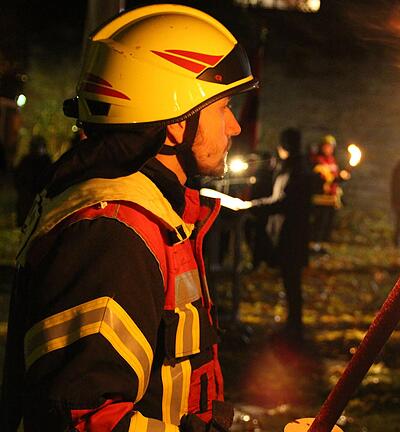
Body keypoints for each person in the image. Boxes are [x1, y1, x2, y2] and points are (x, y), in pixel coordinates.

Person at [1, 5, 257, 431]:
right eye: (223, 106)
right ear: (177, 124)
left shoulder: (147, 214)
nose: (234, 126)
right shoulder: (114, 234)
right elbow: (84, 420)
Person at [249, 128, 312, 341]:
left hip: (291, 235)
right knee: (289, 279)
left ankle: (295, 324)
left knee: (292, 280)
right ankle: (293, 322)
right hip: (287, 233)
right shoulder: (291, 167)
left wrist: (256, 206)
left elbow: (285, 201)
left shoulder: (296, 170)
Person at [310, 134, 349, 249]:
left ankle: (323, 245)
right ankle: (314, 245)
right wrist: (338, 178)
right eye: (327, 146)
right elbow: (324, 177)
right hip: (321, 198)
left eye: (331, 147)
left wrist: (342, 177)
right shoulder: (317, 160)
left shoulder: (332, 160)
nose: (329, 149)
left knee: (328, 223)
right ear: (322, 147)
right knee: (319, 222)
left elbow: (335, 177)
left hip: (332, 198)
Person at [13, 135, 52, 227]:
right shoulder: (26, 161)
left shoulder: (45, 161)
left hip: (39, 194)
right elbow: (19, 177)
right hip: (27, 194)